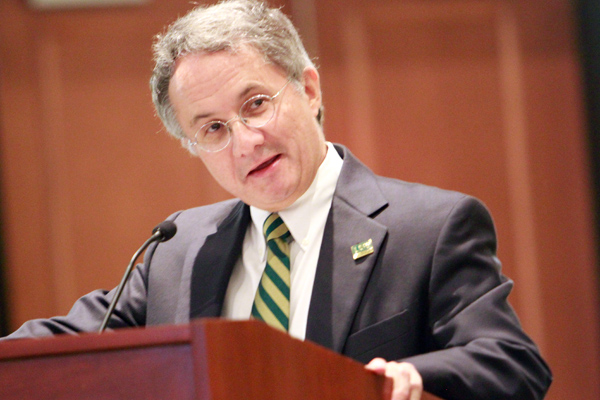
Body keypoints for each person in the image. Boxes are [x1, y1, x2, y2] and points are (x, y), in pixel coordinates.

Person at [1, 1, 551, 399]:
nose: (245, 141)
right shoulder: (178, 248)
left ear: (309, 90)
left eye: (256, 104)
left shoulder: (428, 228)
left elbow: (513, 363)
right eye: (213, 128)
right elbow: (65, 343)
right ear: (194, 146)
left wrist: (418, 376)